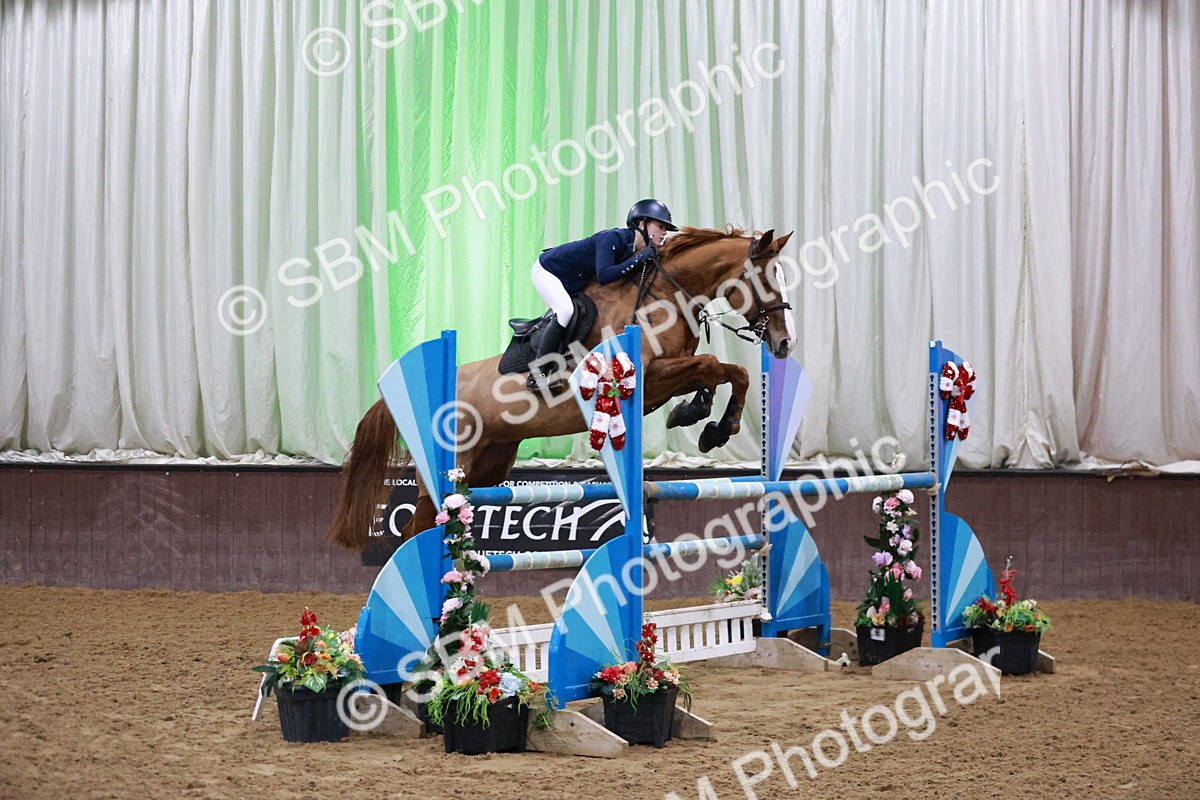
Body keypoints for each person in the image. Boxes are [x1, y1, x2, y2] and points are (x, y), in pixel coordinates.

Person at [527, 198, 678, 388]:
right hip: (548, 270)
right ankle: (537, 374)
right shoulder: (612, 238)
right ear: (641, 224)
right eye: (660, 226)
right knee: (565, 311)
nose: (664, 233)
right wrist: (639, 259)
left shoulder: (634, 249)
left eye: (665, 229)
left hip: (574, 278)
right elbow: (605, 275)